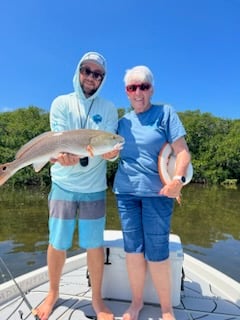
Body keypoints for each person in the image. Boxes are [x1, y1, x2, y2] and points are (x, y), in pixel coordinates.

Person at [36, 52, 119, 320]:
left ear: (103, 79)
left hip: (94, 187)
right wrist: (62, 158)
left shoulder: (108, 108)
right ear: (78, 71)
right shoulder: (60, 103)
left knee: (94, 245)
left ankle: (97, 299)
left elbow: (112, 146)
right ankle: (53, 293)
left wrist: (113, 154)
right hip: (63, 184)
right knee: (57, 242)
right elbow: (57, 142)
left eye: (98, 74)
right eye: (87, 70)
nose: (91, 77)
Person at [113, 66, 191, 320]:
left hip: (159, 193)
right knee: (133, 251)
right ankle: (136, 304)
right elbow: (108, 151)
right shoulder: (121, 122)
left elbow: (181, 152)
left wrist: (177, 180)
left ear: (151, 90)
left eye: (143, 87)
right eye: (132, 87)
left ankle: (166, 308)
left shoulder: (165, 113)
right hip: (126, 193)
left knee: (157, 251)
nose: (138, 92)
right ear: (126, 92)